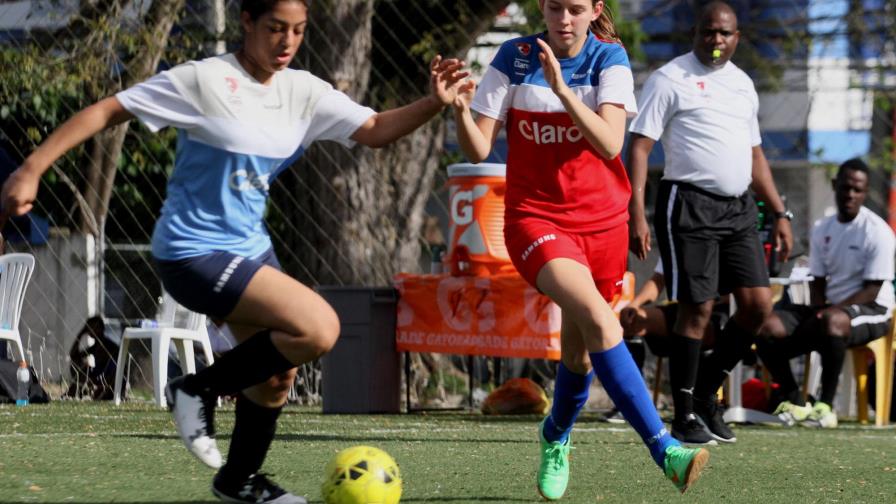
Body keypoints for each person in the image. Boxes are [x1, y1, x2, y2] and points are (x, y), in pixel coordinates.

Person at [0, 1, 469, 502]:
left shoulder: (303, 92)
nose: (286, 42)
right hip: (190, 252)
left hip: (249, 251)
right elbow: (110, 109)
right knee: (320, 327)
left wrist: (434, 103)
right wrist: (31, 168)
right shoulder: (204, 81)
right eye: (274, 28)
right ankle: (194, 389)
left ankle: (239, 480)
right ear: (246, 22)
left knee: (274, 377)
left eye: (298, 31)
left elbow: (375, 130)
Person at [452, 0, 708, 499]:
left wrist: (563, 91)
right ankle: (665, 449)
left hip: (603, 226)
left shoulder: (608, 59)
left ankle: (555, 434)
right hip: (535, 221)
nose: (562, 19)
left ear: (594, 10)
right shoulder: (515, 56)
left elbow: (611, 144)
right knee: (601, 318)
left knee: (580, 354)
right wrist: (460, 108)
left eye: (573, 9)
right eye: (553, 8)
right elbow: (478, 149)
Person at [627, 0, 793, 445]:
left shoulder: (742, 84)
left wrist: (778, 212)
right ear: (695, 34)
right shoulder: (670, 79)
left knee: (758, 305)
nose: (716, 41)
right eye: (708, 32)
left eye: (724, 34)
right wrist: (636, 211)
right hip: (689, 204)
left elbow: (755, 155)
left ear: (736, 37)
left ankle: (704, 395)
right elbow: (640, 146)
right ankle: (683, 414)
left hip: (738, 208)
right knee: (697, 308)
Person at [757, 158, 895, 428]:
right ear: (835, 185)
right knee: (765, 325)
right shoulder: (823, 228)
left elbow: (873, 290)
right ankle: (796, 400)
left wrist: (828, 312)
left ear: (865, 192)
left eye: (858, 190)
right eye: (846, 188)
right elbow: (817, 281)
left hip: (873, 310)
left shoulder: (878, 232)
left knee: (832, 320)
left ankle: (825, 406)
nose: (850, 195)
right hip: (830, 309)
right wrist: (819, 308)